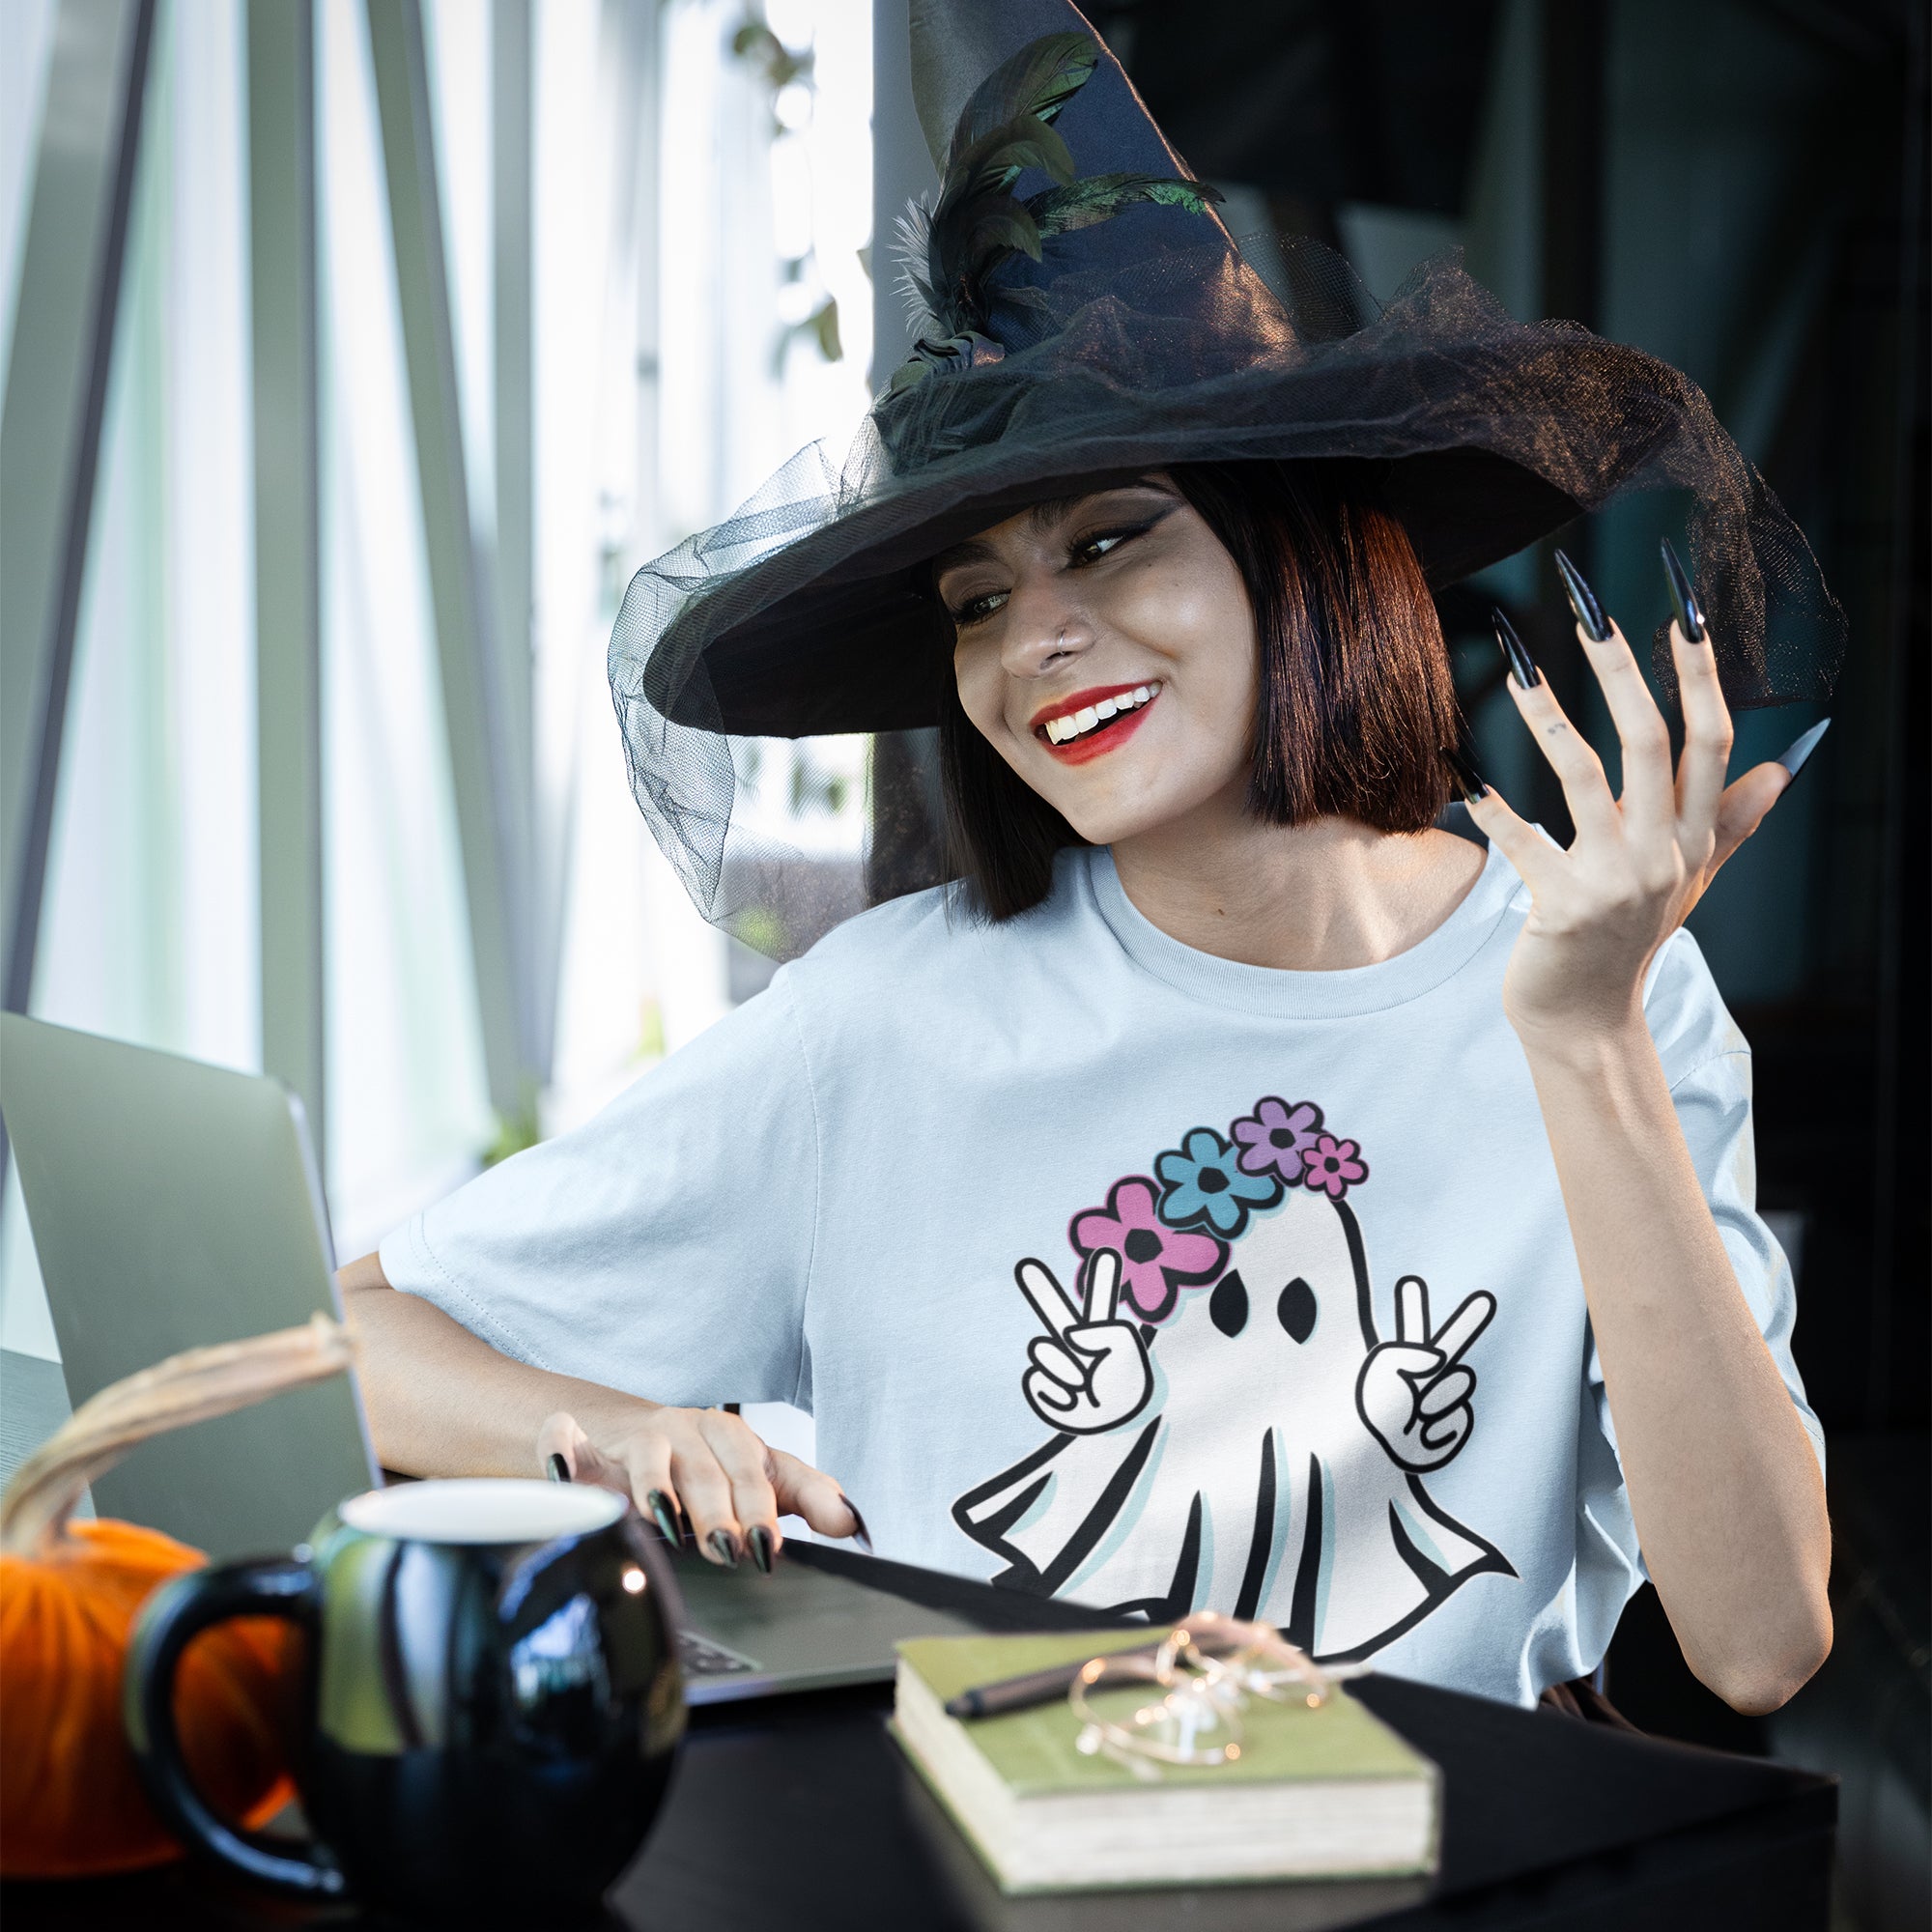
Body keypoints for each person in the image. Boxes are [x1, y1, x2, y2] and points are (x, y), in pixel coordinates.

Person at [341, 3, 1839, 1714]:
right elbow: (351, 1337)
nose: (1032, 641)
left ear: (1303, 556)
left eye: (1111, 540)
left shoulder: (1615, 990)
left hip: (1436, 1866)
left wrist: (1585, 1039)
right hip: (965, 1850)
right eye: (976, 600)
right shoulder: (885, 1025)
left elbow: (1760, 1638)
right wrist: (623, 1430)